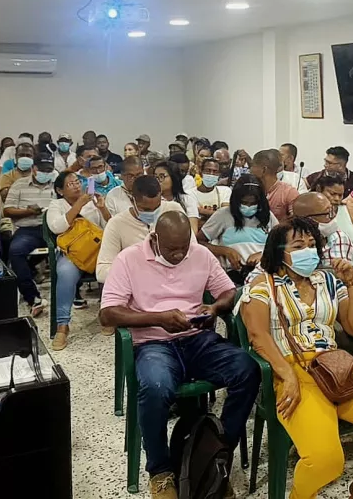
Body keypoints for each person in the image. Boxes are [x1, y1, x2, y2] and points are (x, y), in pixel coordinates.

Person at [240, 218, 353, 499]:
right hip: (294, 373)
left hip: (336, 371)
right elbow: (257, 336)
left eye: (312, 244)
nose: (308, 251)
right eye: (298, 246)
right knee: (326, 461)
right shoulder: (264, 285)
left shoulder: (328, 281)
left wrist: (352, 283)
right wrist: (287, 374)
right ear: (279, 252)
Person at [100, 211, 260, 499]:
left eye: (183, 247)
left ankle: (215, 457)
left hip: (197, 339)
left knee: (247, 369)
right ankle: (160, 471)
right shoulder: (129, 259)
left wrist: (214, 308)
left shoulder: (200, 254)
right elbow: (108, 313)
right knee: (156, 386)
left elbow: (228, 292)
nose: (178, 255)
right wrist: (157, 318)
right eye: (171, 248)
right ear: (155, 238)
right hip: (153, 344)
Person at [47, 171, 110, 351]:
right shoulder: (56, 205)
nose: (76, 186)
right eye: (70, 184)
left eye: (77, 182)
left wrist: (102, 208)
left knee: (112, 268)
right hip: (72, 254)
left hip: (96, 251)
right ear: (60, 190)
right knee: (65, 273)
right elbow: (56, 227)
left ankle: (108, 316)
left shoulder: (93, 202)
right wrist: (79, 204)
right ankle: (62, 326)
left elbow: (110, 227)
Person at [96, 175, 187, 284]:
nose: (152, 213)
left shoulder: (174, 210)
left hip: (175, 280)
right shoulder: (116, 224)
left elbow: (192, 250)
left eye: (157, 207)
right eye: (145, 209)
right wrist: (138, 274)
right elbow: (102, 271)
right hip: (137, 286)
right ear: (132, 200)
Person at [4, 152, 58, 317]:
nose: (46, 173)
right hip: (28, 229)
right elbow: (7, 210)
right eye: (42, 169)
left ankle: (74, 294)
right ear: (34, 169)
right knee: (16, 251)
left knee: (72, 245)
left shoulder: (57, 184)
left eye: (49, 170)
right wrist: (28, 212)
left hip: (53, 227)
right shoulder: (19, 185)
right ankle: (33, 297)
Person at [291, 192, 353, 293]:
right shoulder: (293, 248)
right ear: (307, 219)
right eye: (328, 213)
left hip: (347, 294)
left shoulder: (340, 237)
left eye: (333, 210)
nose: (333, 216)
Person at [198, 174, 278, 274]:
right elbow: (199, 242)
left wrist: (263, 255)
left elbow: (281, 244)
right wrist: (224, 251)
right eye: (244, 202)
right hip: (232, 273)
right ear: (236, 200)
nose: (248, 206)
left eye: (253, 203)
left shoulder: (267, 216)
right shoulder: (223, 215)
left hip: (263, 274)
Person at [314, 174, 353, 256]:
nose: (337, 199)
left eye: (340, 195)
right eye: (332, 194)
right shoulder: (307, 213)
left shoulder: (350, 211)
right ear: (319, 189)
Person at [250, 149, 299, 222]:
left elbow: (297, 221)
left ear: (264, 169)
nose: (250, 170)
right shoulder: (249, 190)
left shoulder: (289, 192)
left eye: (252, 166)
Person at [154, 161, 199, 234]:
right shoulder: (152, 200)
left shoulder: (187, 199)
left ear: (174, 177)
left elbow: (193, 230)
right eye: (155, 177)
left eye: (161, 177)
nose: (157, 181)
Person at [191, 157, 231, 230]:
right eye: (208, 171)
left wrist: (201, 211)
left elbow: (225, 214)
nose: (211, 174)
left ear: (219, 174)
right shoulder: (191, 194)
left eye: (215, 172)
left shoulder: (225, 191)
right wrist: (216, 214)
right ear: (201, 172)